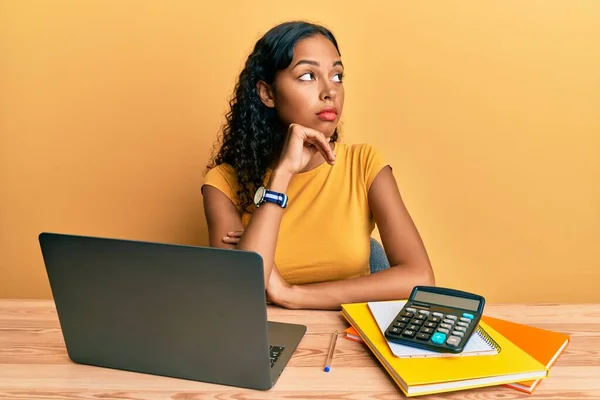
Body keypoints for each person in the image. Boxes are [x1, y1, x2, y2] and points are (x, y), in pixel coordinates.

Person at [202, 21, 435, 310]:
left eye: (337, 76)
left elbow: (419, 277)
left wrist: (290, 294)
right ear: (268, 94)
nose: (330, 91)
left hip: (350, 338)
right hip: (268, 340)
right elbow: (239, 292)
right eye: (308, 75)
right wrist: (283, 173)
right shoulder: (224, 182)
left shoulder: (363, 165)